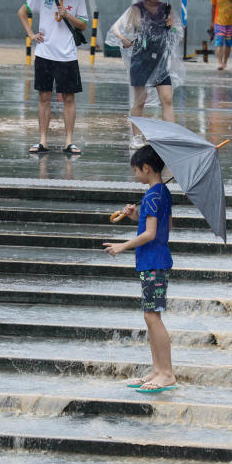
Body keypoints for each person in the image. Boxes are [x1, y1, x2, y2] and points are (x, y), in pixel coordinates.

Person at [102, 145, 176, 393]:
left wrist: (123, 246)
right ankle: (157, 370)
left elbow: (151, 233)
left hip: (153, 260)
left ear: (146, 168)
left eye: (136, 170)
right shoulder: (159, 193)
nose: (136, 175)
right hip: (153, 259)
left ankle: (166, 373)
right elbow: (163, 227)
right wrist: (136, 216)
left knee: (152, 316)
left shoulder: (154, 195)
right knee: (150, 316)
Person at [17, 0, 88, 155]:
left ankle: (69, 141)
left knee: (69, 98)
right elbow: (22, 11)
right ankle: (42, 140)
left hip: (67, 56)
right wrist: (31, 34)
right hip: (44, 54)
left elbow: (83, 25)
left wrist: (68, 15)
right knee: (44, 97)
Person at [107, 0, 183, 149]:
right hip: (141, 60)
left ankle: (170, 136)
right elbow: (116, 28)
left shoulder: (167, 9)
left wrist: (171, 26)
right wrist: (124, 38)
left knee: (167, 99)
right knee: (140, 100)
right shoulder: (136, 9)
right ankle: (136, 137)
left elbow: (178, 34)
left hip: (161, 60)